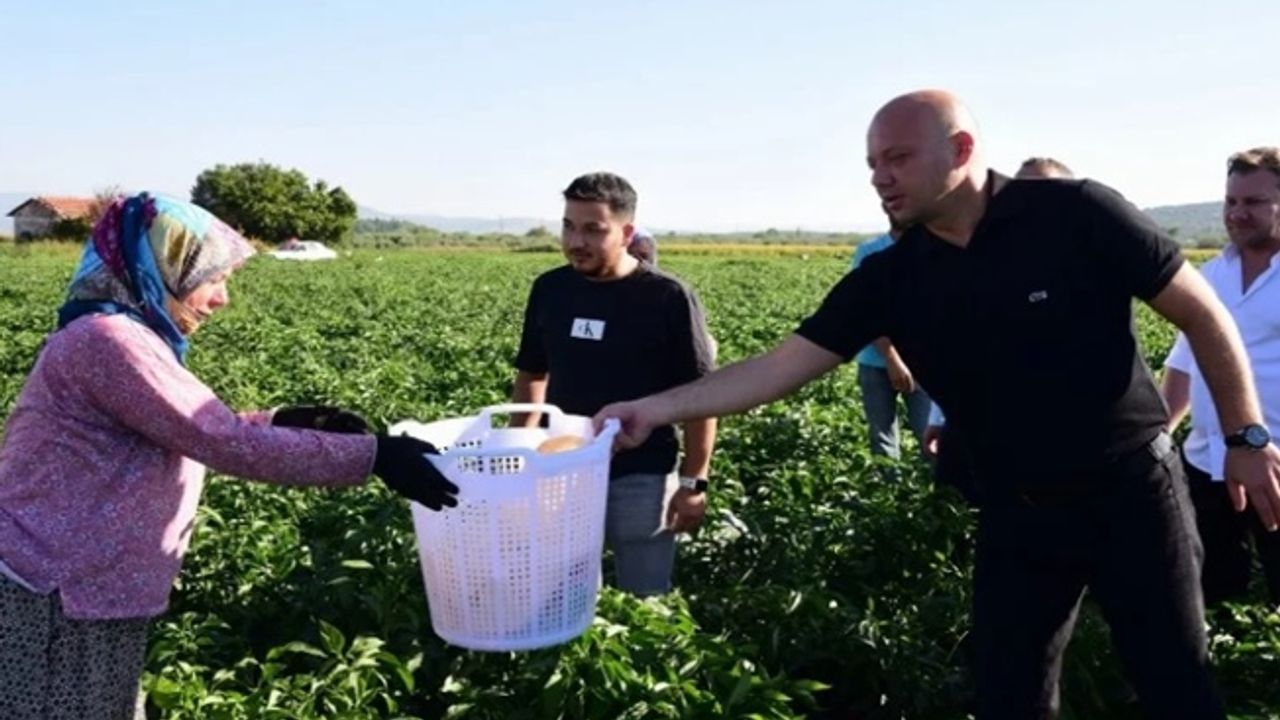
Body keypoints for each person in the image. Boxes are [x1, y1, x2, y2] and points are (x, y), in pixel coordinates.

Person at [596, 91, 1280, 719]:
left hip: (1131, 492)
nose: (879, 177)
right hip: (1018, 512)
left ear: (959, 151)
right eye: (871, 163)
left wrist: (1246, 438)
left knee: (1176, 684)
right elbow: (779, 366)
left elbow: (1203, 313)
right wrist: (654, 407)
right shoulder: (892, 277)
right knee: (1010, 692)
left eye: (897, 158)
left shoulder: (1075, 214)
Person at [0, 193, 458, 720]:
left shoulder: (128, 336)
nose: (222, 300)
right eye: (213, 279)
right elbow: (220, 441)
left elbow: (196, 427)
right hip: (56, 591)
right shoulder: (107, 341)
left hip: (85, 589)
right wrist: (372, 457)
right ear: (164, 267)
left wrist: (281, 419)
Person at [511, 172, 716, 597]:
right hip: (562, 471)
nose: (575, 241)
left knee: (645, 602)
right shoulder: (551, 289)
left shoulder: (668, 297)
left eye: (592, 229)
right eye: (568, 226)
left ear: (626, 233)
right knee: (561, 596)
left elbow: (700, 398)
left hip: (642, 473)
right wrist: (523, 451)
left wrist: (693, 483)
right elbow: (533, 374)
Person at [1161, 146, 1280, 606]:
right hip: (1206, 465)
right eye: (1232, 201)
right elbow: (1184, 363)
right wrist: (1158, 436)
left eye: (1254, 202)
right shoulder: (1209, 277)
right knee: (1209, 593)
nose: (1238, 213)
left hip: (1273, 464)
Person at [851, 208, 931, 462]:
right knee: (882, 438)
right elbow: (868, 310)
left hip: (922, 361)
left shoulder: (932, 250)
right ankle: (888, 498)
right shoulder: (870, 251)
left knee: (930, 435)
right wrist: (892, 358)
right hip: (876, 362)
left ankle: (936, 498)